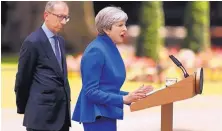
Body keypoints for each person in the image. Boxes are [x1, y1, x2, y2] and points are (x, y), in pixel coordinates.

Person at [72, 6, 154, 131]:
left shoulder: (109, 47)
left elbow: (107, 88)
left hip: (105, 113)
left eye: (125, 24)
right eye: (120, 25)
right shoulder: (96, 50)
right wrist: (123, 99)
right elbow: (91, 92)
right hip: (96, 116)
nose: (125, 29)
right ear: (106, 29)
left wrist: (132, 95)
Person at [14, 1, 71, 131]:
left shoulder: (60, 41)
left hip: (61, 117)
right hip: (41, 119)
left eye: (66, 17)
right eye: (60, 17)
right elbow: (22, 79)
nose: (63, 22)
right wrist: (25, 108)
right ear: (46, 15)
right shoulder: (32, 42)